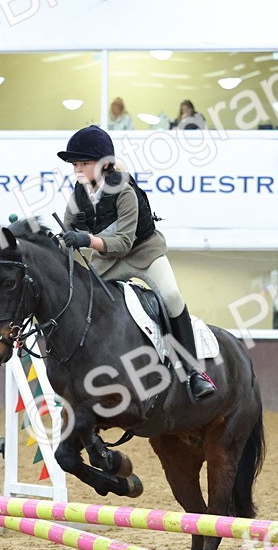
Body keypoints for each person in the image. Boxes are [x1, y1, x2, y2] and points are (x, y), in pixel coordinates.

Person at [57, 125, 216, 401]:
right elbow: (67, 231)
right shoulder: (79, 193)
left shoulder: (125, 191)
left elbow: (123, 243)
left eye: (84, 163)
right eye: (75, 164)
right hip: (107, 260)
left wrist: (86, 240)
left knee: (171, 295)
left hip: (143, 254)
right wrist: (56, 243)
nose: (78, 169)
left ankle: (193, 371)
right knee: (85, 301)